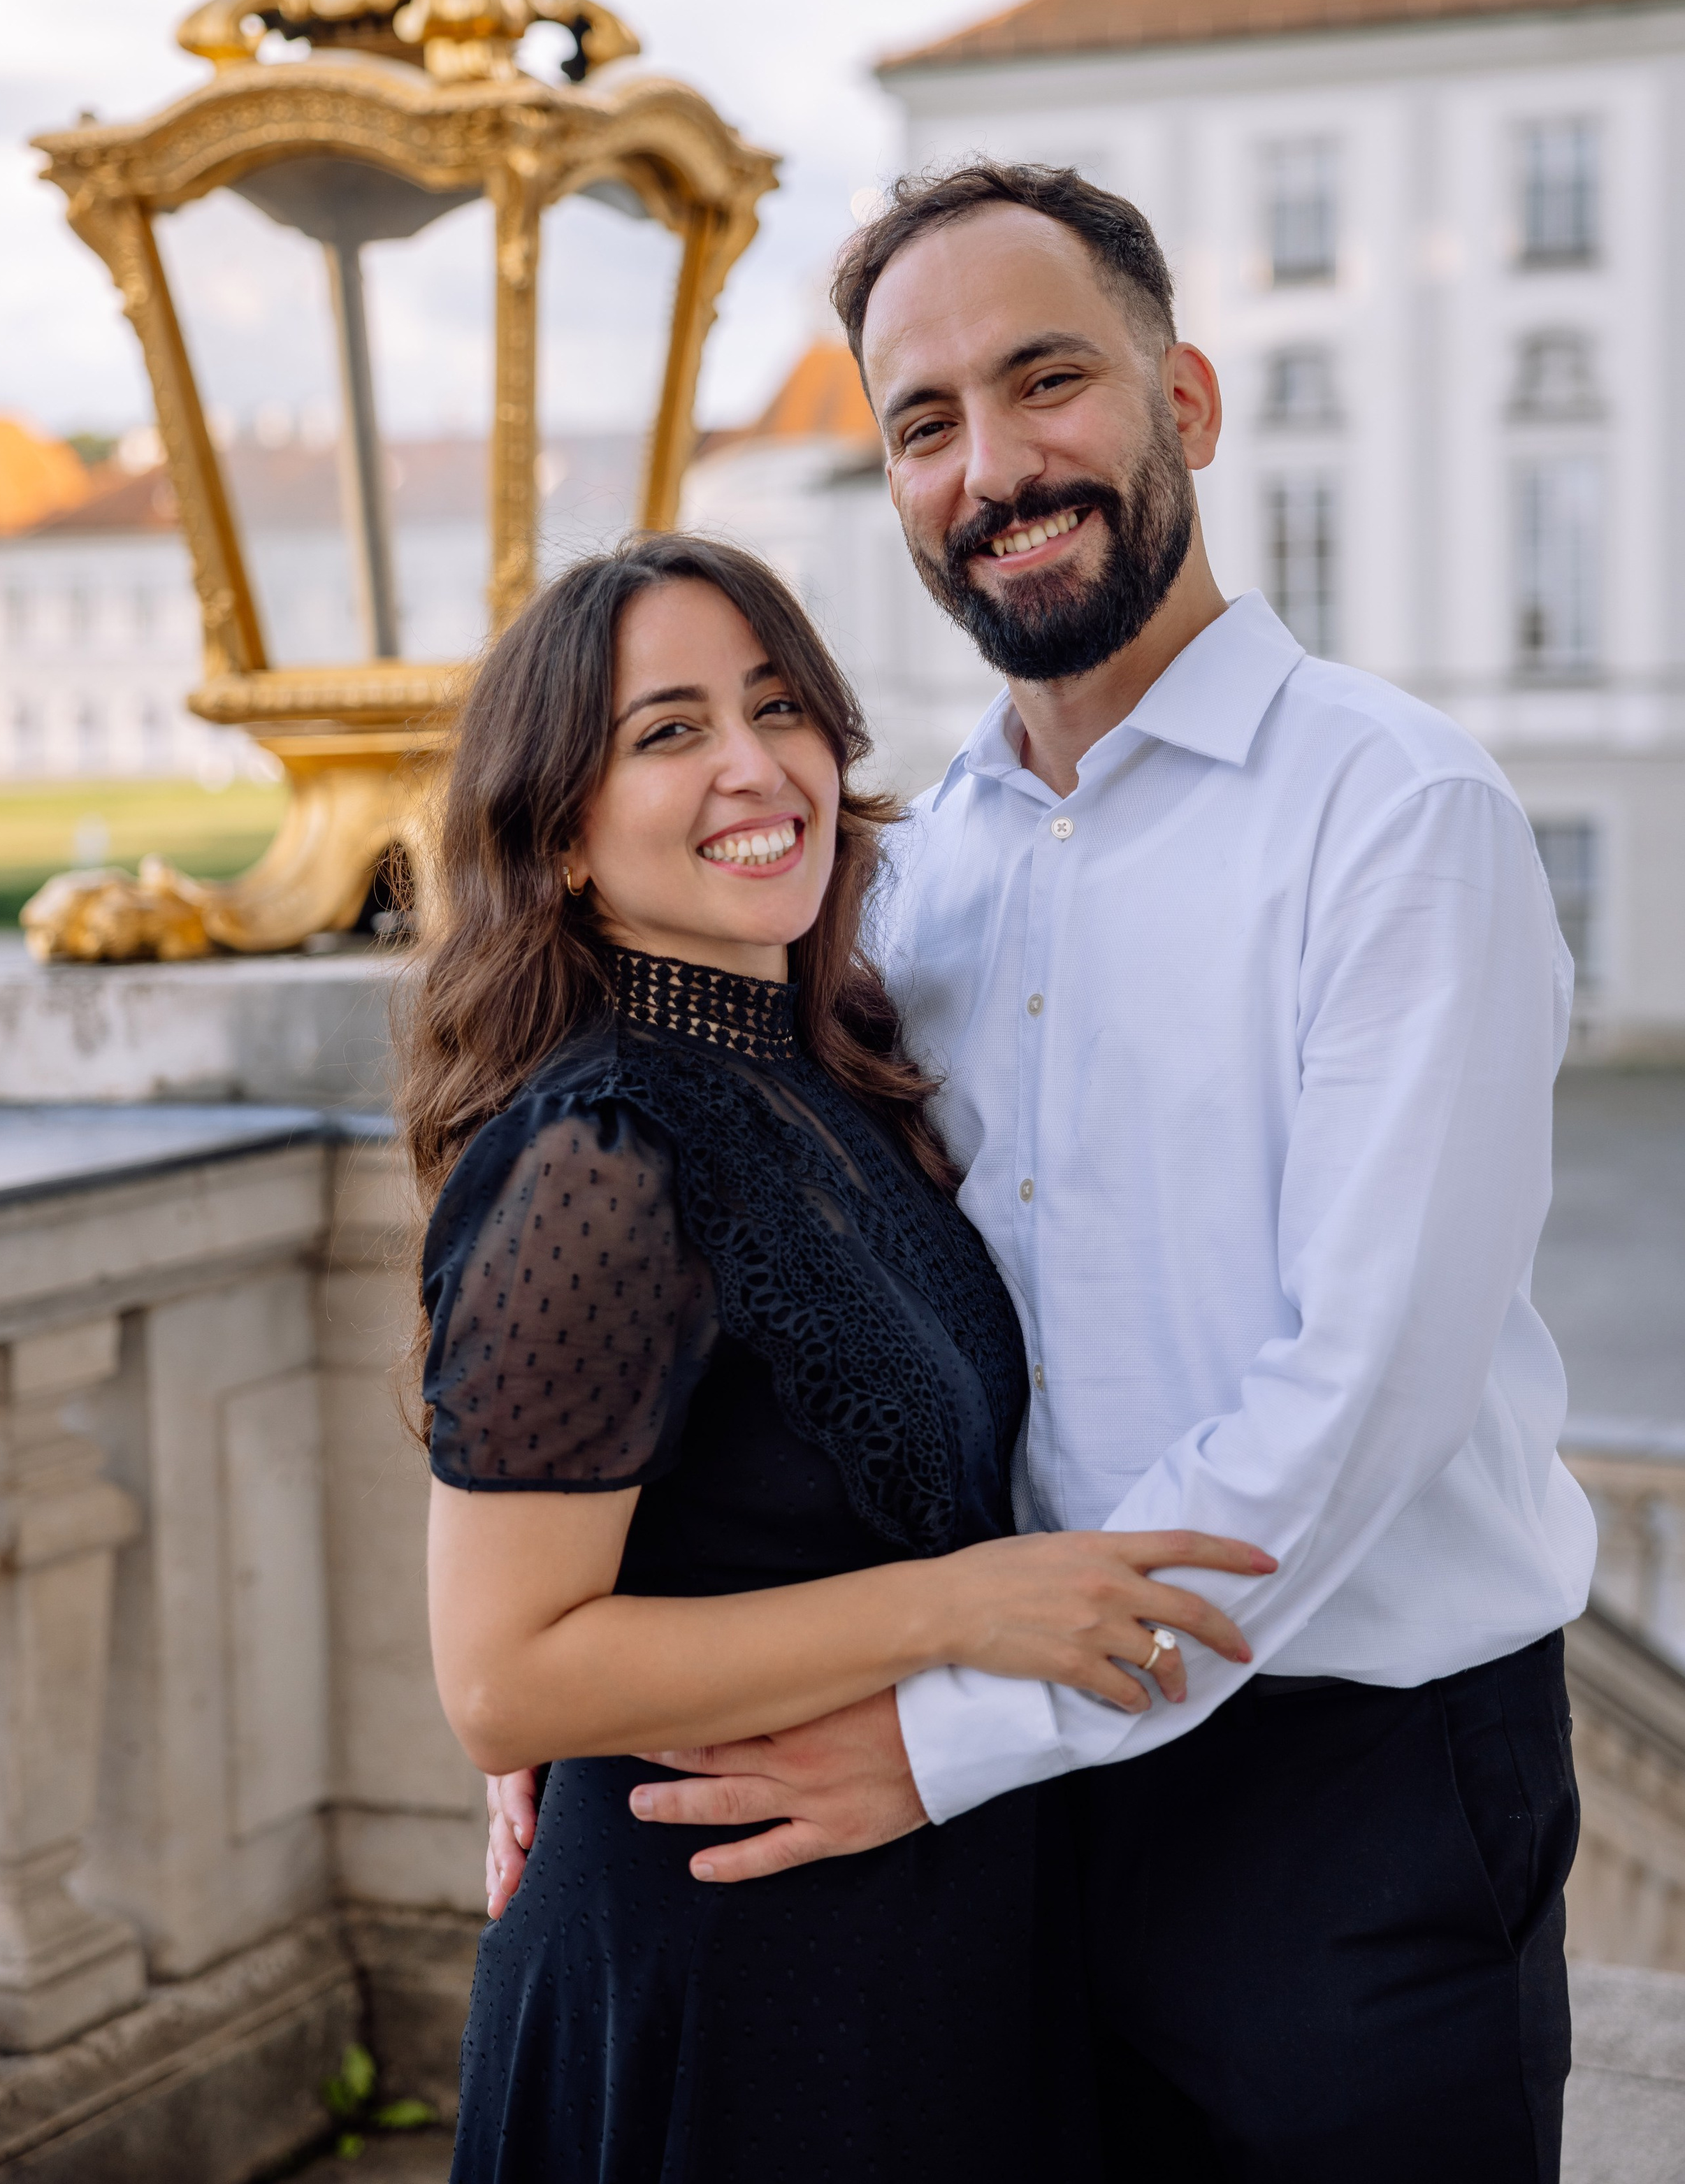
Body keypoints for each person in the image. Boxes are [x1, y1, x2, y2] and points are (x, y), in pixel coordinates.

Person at [489, 165, 1596, 2183]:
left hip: (1326, 1793)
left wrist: (941, 1736)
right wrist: (565, 1698)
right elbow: (727, 1270)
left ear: (1184, 397)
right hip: (991, 1810)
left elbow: (1354, 1403)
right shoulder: (907, 877)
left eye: (1046, 379)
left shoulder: (1399, 815)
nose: (992, 466)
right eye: (924, 424)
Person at [404, 527, 1269, 2184]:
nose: (753, 763)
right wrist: (968, 1603)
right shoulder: (598, 1138)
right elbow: (499, 1676)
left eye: (778, 703)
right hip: (720, 1976)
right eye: (665, 731)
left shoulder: (824, 1074)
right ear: (562, 836)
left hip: (910, 1932)